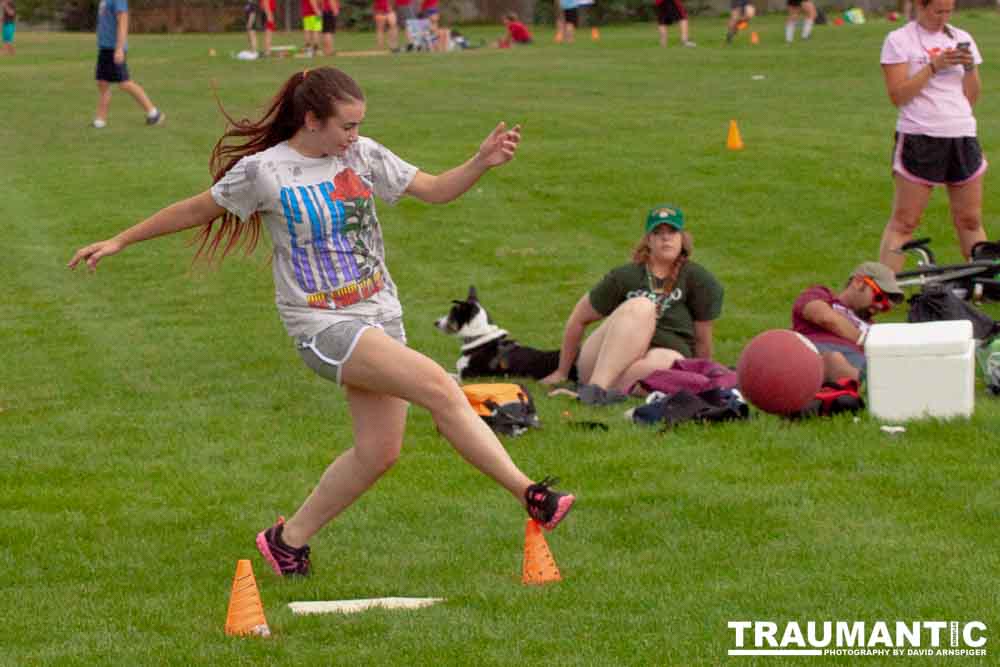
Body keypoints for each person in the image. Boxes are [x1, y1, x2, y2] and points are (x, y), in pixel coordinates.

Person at [68, 67, 575, 577]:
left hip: (380, 317)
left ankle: (287, 541)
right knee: (439, 387)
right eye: (346, 126)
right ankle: (532, 494)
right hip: (321, 326)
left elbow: (437, 189)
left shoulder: (363, 155)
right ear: (311, 119)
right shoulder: (264, 171)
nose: (353, 136)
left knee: (378, 453)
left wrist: (481, 162)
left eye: (358, 126)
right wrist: (120, 240)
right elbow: (197, 209)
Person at [540, 205, 724, 406]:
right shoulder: (625, 276)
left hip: (656, 364)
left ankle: (606, 391)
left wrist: (706, 378)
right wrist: (562, 371)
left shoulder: (699, 279)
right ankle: (596, 389)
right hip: (604, 361)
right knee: (642, 306)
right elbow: (578, 319)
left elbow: (702, 338)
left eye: (672, 232)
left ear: (682, 238)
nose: (666, 238)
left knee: (667, 360)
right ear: (648, 240)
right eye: (658, 232)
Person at [879, 0, 985, 273]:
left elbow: (971, 98)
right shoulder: (899, 40)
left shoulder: (962, 38)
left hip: (961, 134)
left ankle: (983, 286)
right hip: (920, 135)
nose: (943, 17)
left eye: (948, 11)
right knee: (905, 222)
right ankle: (885, 289)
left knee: (970, 219)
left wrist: (970, 67)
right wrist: (933, 67)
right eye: (937, 11)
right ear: (919, 6)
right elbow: (897, 95)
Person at [791, 262, 904, 382]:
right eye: (879, 297)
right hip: (815, 357)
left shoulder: (873, 328)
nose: (880, 306)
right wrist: (864, 340)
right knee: (834, 360)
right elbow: (824, 318)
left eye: (886, 305)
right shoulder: (821, 295)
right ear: (858, 282)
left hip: (859, 365)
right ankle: (869, 388)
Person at [92, 0, 164, 129]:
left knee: (124, 82)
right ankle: (100, 119)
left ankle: (154, 113)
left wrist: (119, 48)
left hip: (115, 48)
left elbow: (123, 22)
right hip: (105, 48)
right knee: (102, 82)